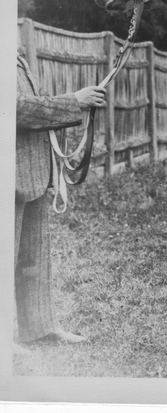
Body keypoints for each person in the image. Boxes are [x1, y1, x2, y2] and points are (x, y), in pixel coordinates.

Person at [15, 47, 106, 353]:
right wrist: (73, 102)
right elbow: (16, 108)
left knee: (34, 256)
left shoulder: (16, 56)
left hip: (31, 171)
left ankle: (38, 328)